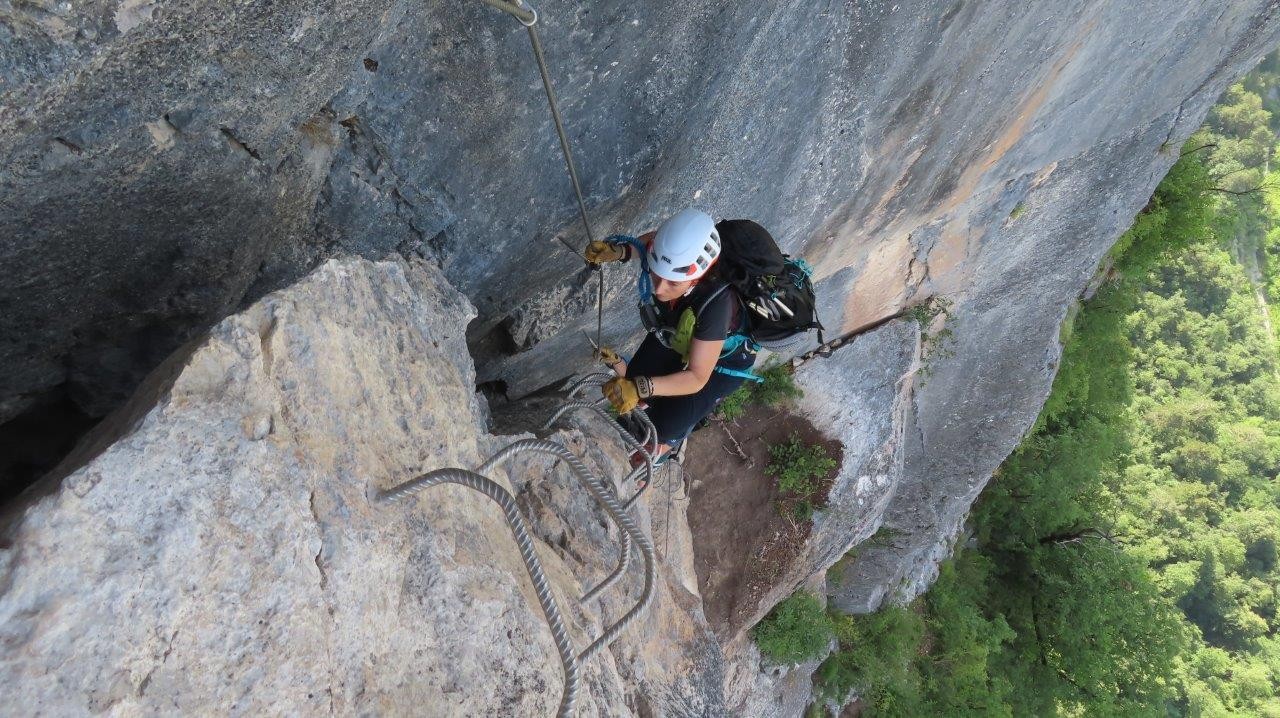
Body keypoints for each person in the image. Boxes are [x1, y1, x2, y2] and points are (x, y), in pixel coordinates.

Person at [584, 208, 761, 465]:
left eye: (672, 284)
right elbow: (650, 244)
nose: (659, 289)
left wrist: (639, 387)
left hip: (725, 362)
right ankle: (640, 412)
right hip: (680, 329)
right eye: (658, 275)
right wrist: (619, 251)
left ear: (697, 275)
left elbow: (697, 376)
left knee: (667, 424)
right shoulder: (670, 254)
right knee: (638, 378)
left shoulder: (717, 306)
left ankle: (661, 450)